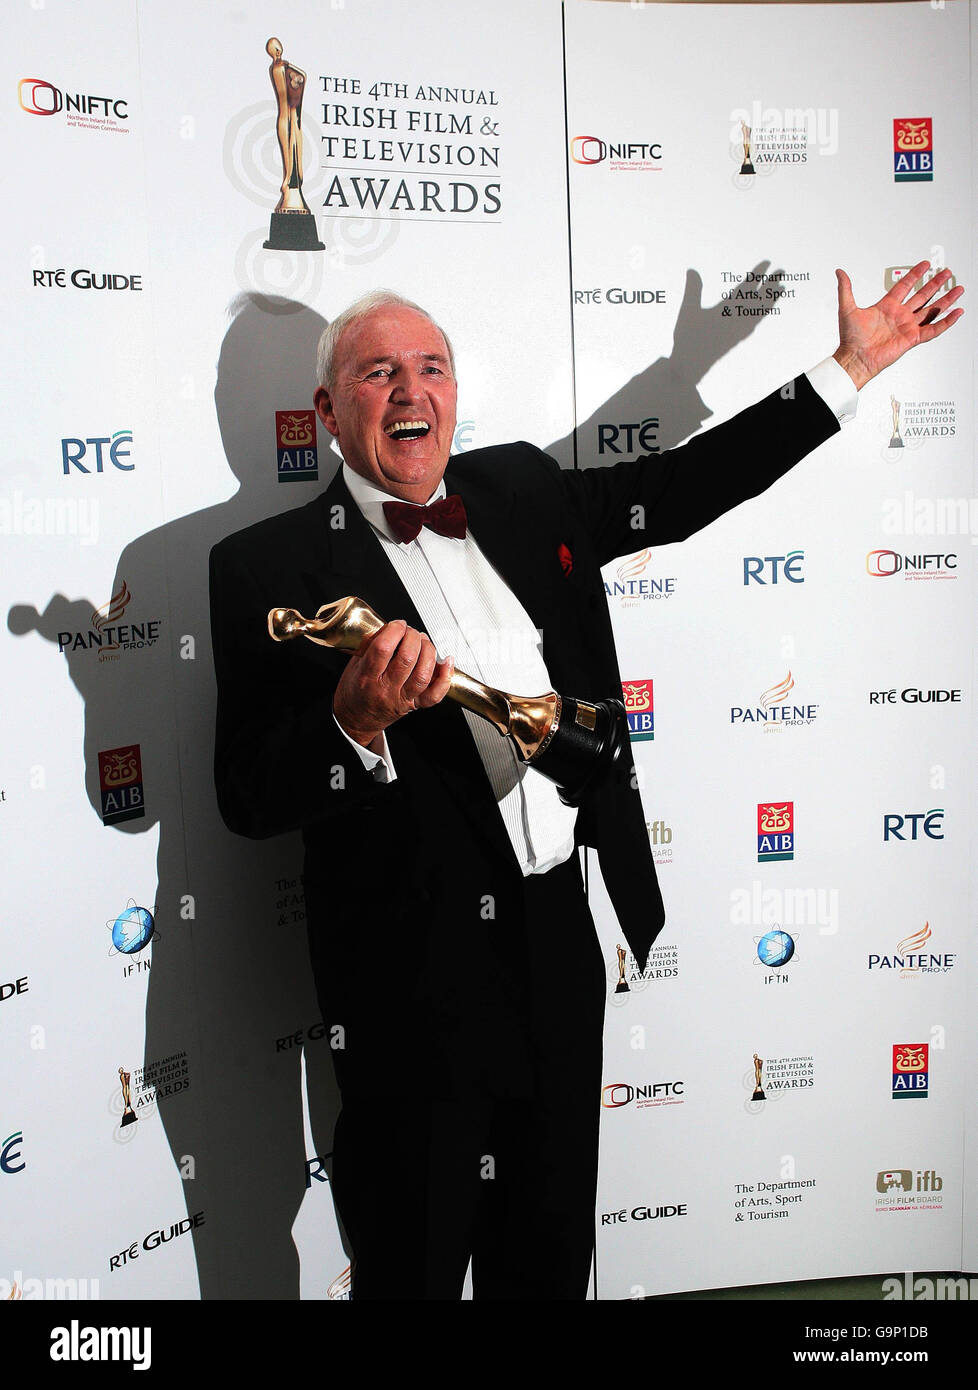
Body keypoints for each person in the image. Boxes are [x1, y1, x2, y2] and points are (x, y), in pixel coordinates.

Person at [209, 264, 962, 1300]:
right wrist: (352, 720)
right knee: (411, 1263)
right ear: (330, 410)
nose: (411, 391)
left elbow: (686, 488)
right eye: (378, 372)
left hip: (556, 940)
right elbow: (245, 795)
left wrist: (848, 366)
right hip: (406, 976)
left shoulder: (518, 487)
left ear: (456, 392)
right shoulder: (262, 567)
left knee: (550, 1254)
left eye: (432, 367)